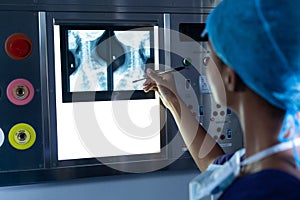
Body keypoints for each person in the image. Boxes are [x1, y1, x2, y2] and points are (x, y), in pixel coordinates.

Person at [143, 0, 300, 199]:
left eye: (209, 55)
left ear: (230, 77)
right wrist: (174, 102)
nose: (205, 63)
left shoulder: (266, 192)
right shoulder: (273, 158)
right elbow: (218, 169)